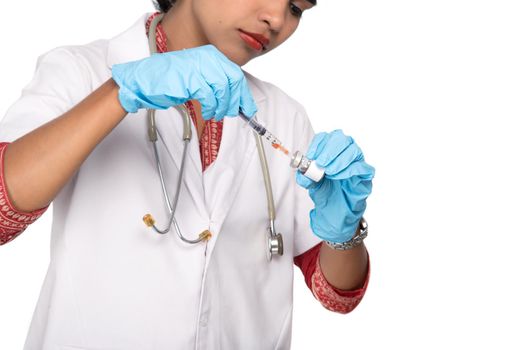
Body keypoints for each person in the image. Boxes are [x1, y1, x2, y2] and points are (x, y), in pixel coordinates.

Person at [0, 0, 375, 348]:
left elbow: (338, 293)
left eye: (295, 8)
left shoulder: (283, 116)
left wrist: (345, 233)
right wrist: (119, 93)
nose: (277, 20)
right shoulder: (82, 71)